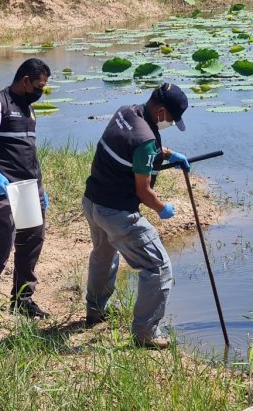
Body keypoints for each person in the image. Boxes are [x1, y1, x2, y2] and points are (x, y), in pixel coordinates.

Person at [82, 82, 191, 349]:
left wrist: (166, 154)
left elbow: (132, 147)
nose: (170, 123)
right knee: (158, 267)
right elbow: (143, 192)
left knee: (103, 255)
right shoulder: (146, 142)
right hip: (117, 212)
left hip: (92, 202)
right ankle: (145, 333)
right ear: (161, 111)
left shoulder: (126, 111)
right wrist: (162, 208)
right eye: (171, 119)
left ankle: (94, 312)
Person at [0, 58, 52, 328]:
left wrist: (40, 186)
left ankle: (22, 300)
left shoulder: (29, 109)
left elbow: (28, 150)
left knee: (31, 242)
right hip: (6, 187)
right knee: (0, 245)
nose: (41, 91)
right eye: (39, 85)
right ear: (25, 80)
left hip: (29, 188)